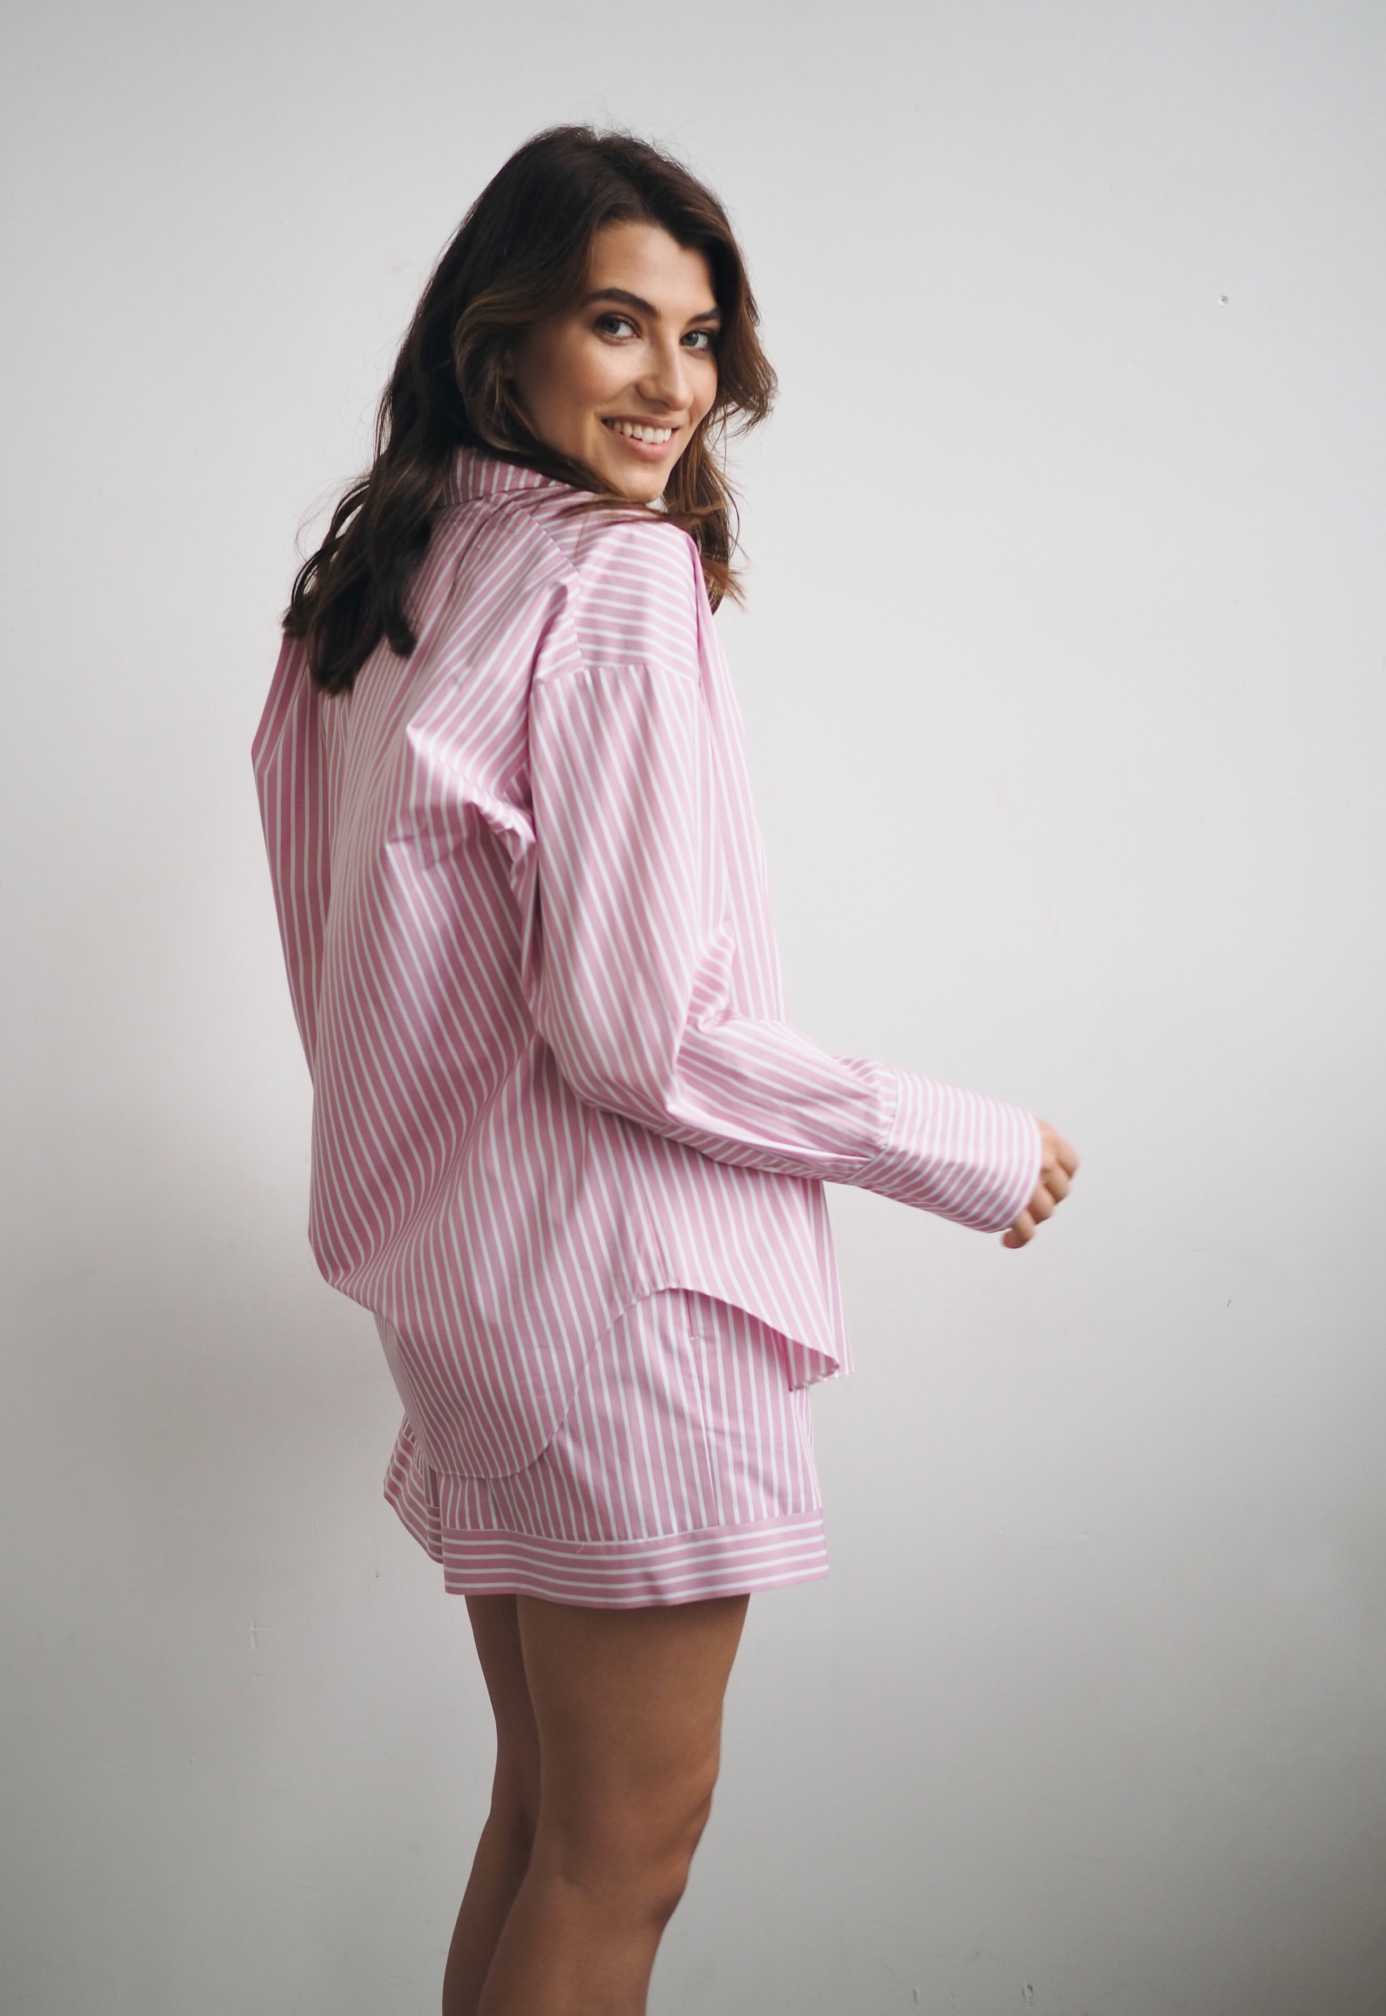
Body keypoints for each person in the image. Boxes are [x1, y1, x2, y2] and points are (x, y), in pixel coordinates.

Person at [253, 124, 1078, 2016]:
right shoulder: (616, 578)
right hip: (628, 1311)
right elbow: (644, 1028)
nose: (673, 384)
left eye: (699, 337)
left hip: (473, 1301)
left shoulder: (375, 588)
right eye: (618, 324)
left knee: (548, 1824)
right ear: (501, 339)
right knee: (624, 1853)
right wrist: (957, 1142)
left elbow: (335, 975)